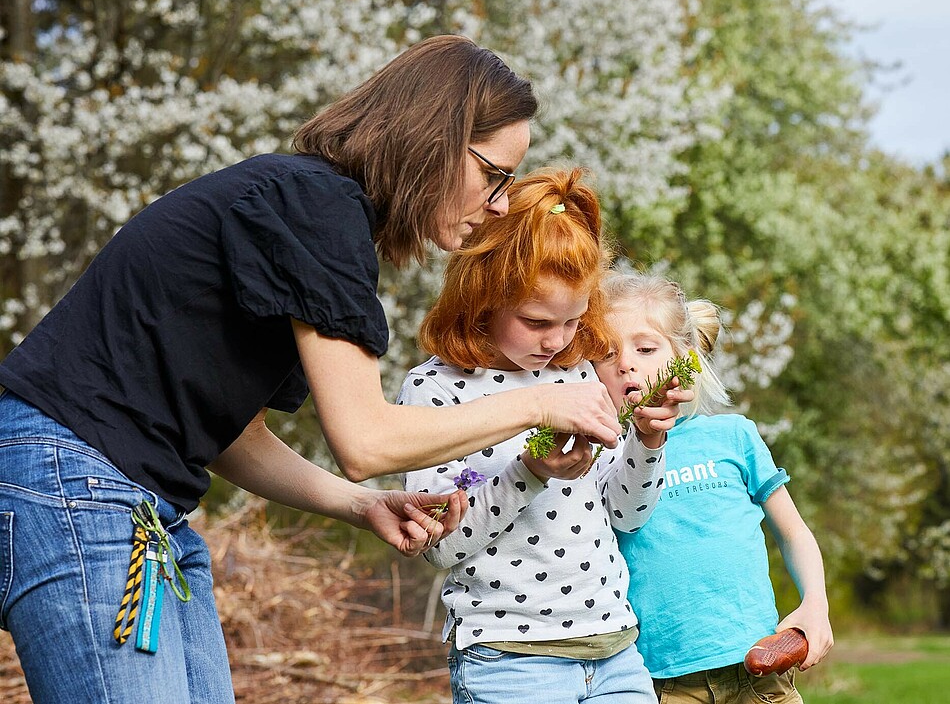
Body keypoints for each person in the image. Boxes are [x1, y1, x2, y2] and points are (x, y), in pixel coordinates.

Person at [0, 36, 623, 703]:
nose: (500, 203)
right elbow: (366, 440)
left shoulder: (307, 216)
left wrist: (365, 506)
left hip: (144, 502)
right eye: (494, 174)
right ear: (437, 139)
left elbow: (236, 437)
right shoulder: (317, 206)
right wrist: (540, 402)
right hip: (76, 484)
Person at [398, 168, 691, 704]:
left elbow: (624, 514)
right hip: (508, 659)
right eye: (536, 321)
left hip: (614, 651)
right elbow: (441, 548)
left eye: (574, 322)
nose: (557, 341)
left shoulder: (577, 373)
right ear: (482, 295)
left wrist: (648, 445)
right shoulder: (435, 390)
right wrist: (529, 473)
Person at [593, 271, 834, 704]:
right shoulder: (599, 457)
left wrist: (815, 601)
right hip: (662, 682)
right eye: (606, 354)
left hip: (759, 670)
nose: (626, 363)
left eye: (645, 348)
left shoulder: (734, 436)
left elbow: (793, 531)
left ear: (685, 357)